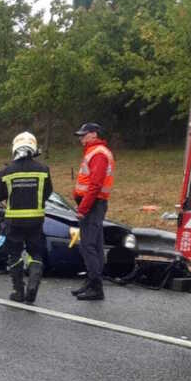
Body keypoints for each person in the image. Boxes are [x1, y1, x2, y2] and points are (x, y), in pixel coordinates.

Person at [0, 132, 52, 304]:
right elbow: (48, 193)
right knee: (36, 253)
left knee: (15, 254)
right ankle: (33, 284)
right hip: (36, 220)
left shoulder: (6, 171)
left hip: (14, 220)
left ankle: (18, 291)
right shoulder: (43, 170)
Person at [71, 122, 115, 301]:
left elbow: (95, 184)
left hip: (93, 205)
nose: (81, 138)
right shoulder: (94, 152)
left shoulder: (98, 154)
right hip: (93, 204)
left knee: (88, 245)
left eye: (83, 135)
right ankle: (91, 282)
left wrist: (83, 208)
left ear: (93, 134)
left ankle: (96, 287)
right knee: (94, 244)